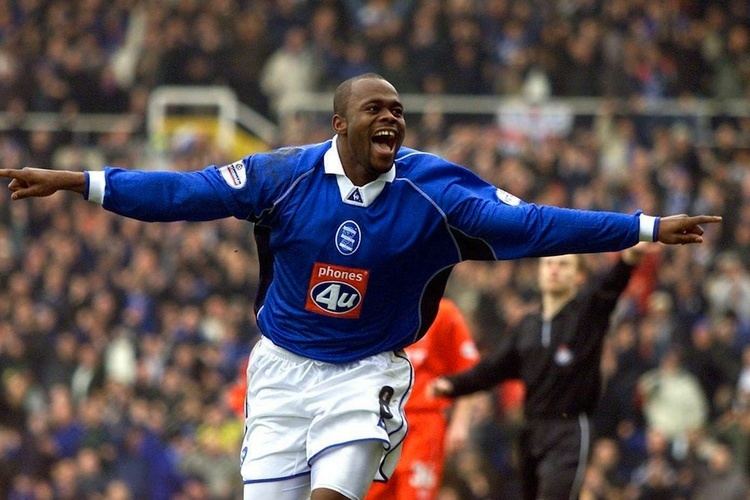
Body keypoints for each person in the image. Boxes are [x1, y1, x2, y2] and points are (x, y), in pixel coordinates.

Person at [0, 73, 720, 500]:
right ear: (339, 123)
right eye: (377, 109)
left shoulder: (437, 192)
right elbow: (182, 193)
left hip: (365, 373)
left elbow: (535, 223)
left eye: (399, 111)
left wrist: (646, 226)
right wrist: (81, 181)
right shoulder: (282, 176)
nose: (392, 119)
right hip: (280, 373)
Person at [431, 245, 653, 500]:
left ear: (579, 276)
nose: (554, 270)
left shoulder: (587, 315)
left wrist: (628, 259)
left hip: (568, 429)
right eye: (548, 264)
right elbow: (492, 369)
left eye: (563, 265)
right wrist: (453, 385)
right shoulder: (528, 326)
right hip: (531, 430)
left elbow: (609, 288)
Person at [365, 298, 484, 500]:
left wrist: (460, 423)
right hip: (379, 422)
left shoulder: (443, 312)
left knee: (414, 494)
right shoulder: (382, 306)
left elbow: (468, 368)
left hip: (423, 423)